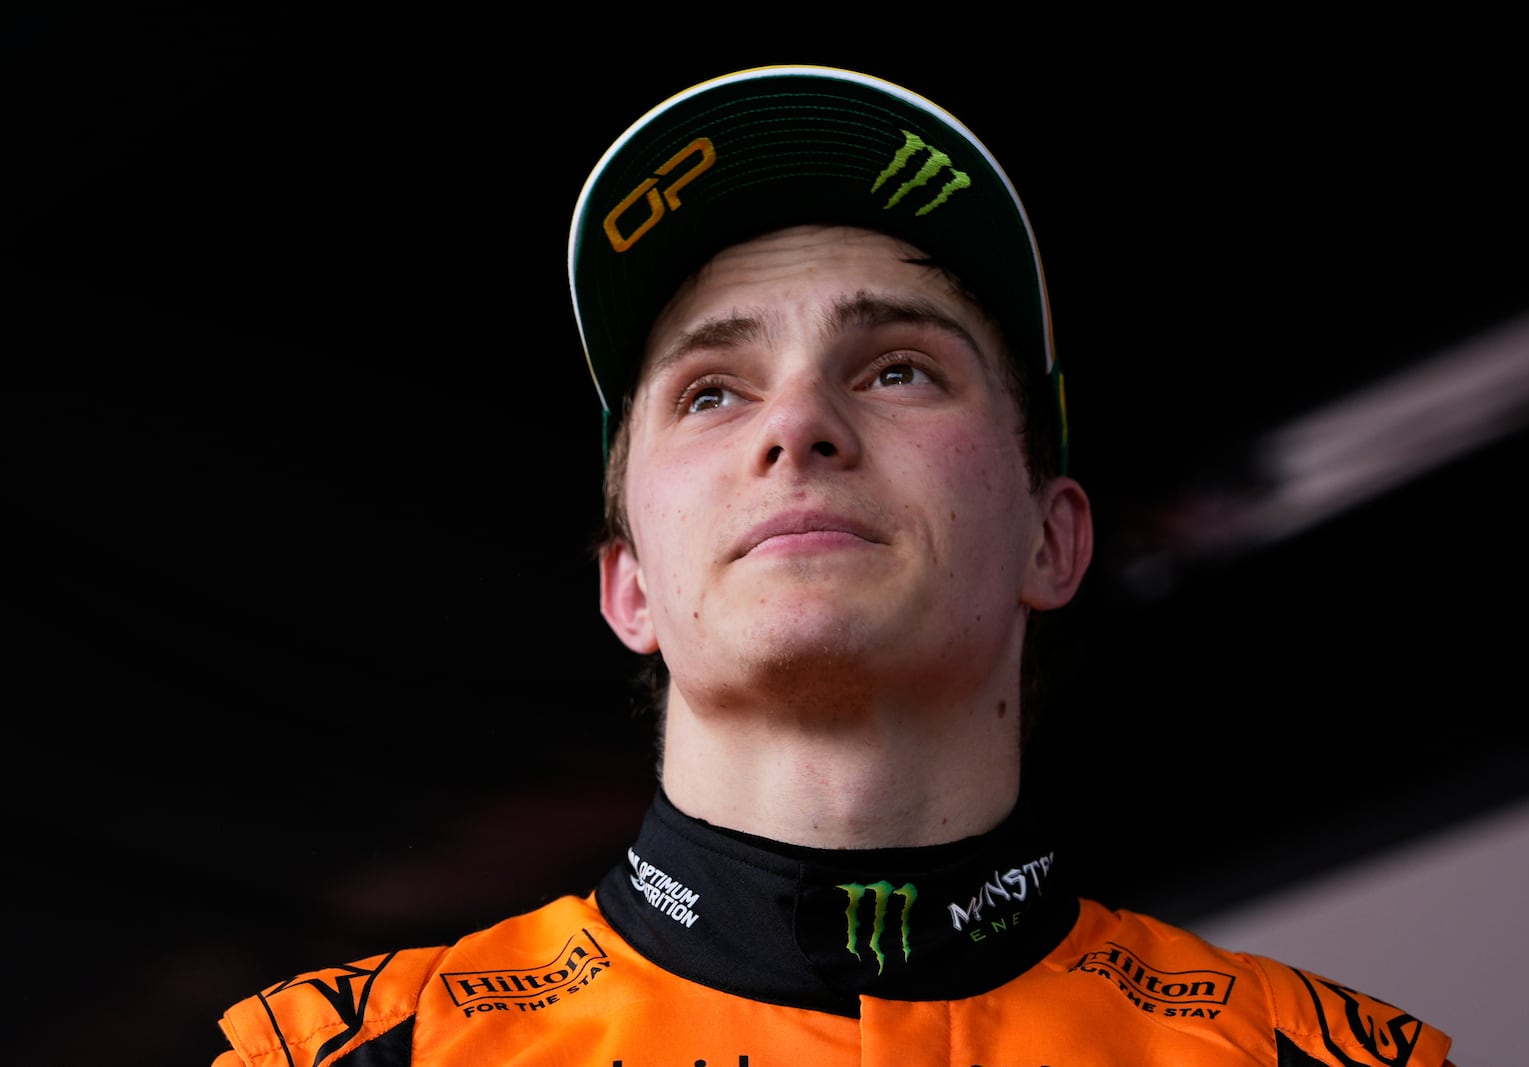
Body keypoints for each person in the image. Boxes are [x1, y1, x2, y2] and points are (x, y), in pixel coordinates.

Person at [210, 65, 1455, 1067]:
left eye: (898, 367)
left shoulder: (1322, 1056)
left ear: (1052, 536)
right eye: (709, 390)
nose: (795, 425)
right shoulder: (346, 1055)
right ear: (626, 584)